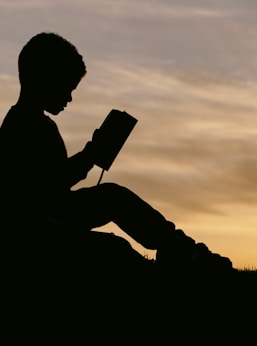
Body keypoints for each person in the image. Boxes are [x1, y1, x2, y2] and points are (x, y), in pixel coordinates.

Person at [0, 32, 233, 274]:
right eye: (66, 87)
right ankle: (182, 258)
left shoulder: (35, 123)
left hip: (52, 219)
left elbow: (55, 182)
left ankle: (181, 250)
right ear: (44, 79)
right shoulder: (23, 126)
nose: (69, 98)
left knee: (113, 198)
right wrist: (91, 154)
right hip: (38, 232)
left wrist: (91, 154)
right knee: (116, 246)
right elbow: (47, 188)